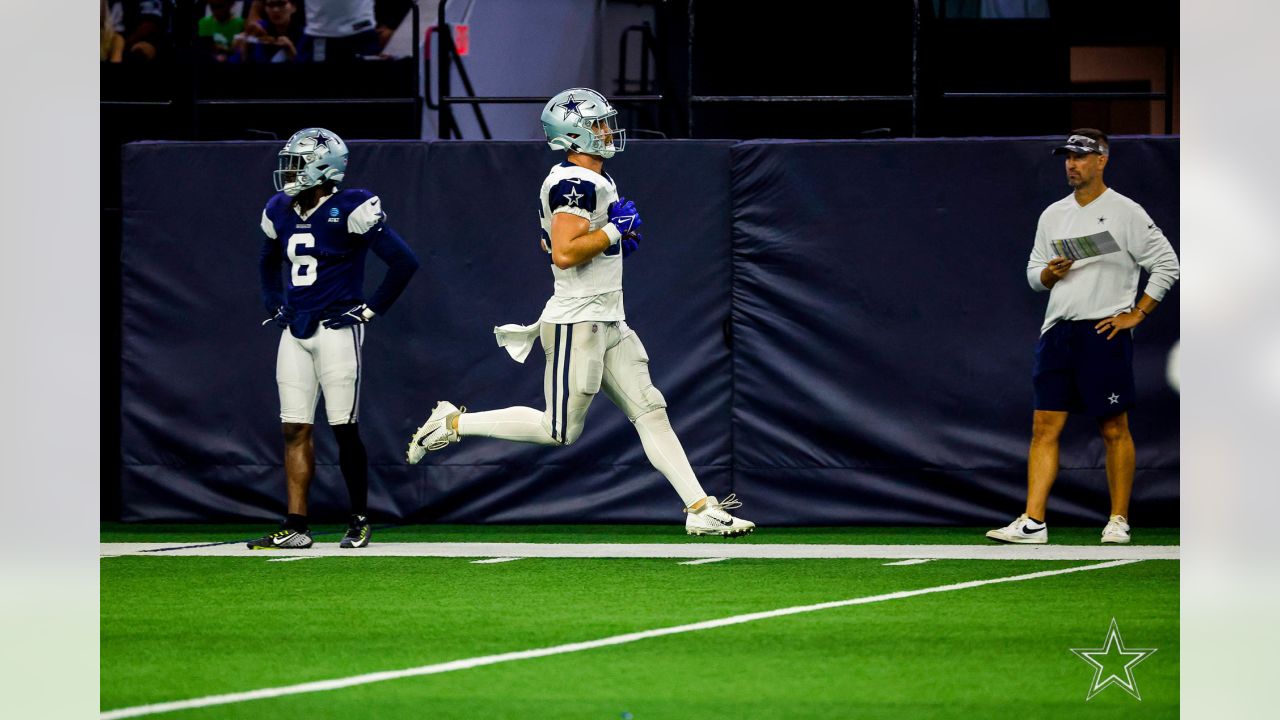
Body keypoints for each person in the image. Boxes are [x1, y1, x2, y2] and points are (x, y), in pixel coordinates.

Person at [406, 88, 755, 537]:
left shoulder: (588, 179)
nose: (607, 132)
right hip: (577, 322)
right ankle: (452, 422)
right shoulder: (577, 182)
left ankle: (699, 507)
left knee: (651, 411)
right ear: (573, 134)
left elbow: (551, 242)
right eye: (598, 125)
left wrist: (606, 235)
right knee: (559, 430)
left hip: (607, 317)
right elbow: (565, 254)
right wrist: (613, 231)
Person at [987, 129, 1179, 545]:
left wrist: (1137, 313)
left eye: (1080, 156)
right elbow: (1033, 274)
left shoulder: (1126, 211)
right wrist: (1048, 274)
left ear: (1101, 160)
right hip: (1058, 332)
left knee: (1113, 428)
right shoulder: (1053, 214)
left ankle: (1118, 519)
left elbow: (1167, 264)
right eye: (1067, 157)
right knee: (1043, 428)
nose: (1071, 164)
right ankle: (1033, 521)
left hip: (1103, 331)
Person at [250, 128, 420, 549]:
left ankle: (359, 518)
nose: (288, 171)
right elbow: (267, 260)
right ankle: (296, 524)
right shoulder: (280, 208)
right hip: (295, 329)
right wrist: (273, 302)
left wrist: (369, 309)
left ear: (323, 168)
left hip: (337, 329)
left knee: (344, 427)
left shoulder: (351, 205)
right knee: (293, 428)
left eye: (297, 162)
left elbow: (403, 262)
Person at [237, 0, 303, 63]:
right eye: (270, 5)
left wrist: (291, 51)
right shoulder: (257, 30)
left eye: (281, 3)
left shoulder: (305, 35)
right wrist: (245, 48)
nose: (275, 10)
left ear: (294, 7)